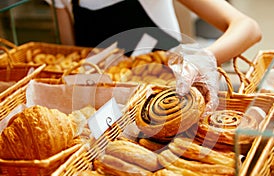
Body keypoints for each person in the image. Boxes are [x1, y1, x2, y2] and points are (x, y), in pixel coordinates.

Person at [46, 0, 261, 111]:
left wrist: (198, 61)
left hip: (170, 102)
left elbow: (248, 28)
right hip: (105, 111)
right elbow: (76, 56)